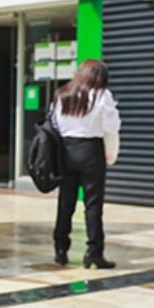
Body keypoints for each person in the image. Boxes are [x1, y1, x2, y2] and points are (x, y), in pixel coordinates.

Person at [52, 59, 121, 269]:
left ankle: (61, 249)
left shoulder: (62, 94)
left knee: (66, 202)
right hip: (91, 151)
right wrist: (111, 152)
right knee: (93, 204)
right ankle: (94, 252)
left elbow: (54, 124)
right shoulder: (102, 95)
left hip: (66, 150)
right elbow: (112, 126)